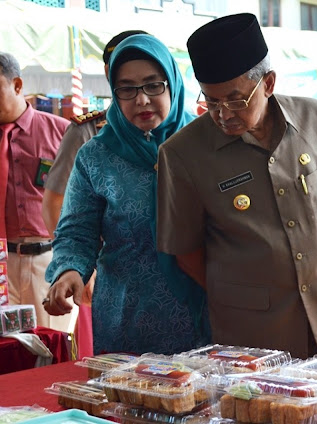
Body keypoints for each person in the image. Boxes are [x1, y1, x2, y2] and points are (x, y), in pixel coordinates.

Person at [156, 13, 317, 360]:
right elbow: (186, 252)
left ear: (268, 83)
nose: (224, 114)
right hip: (254, 333)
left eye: (236, 100)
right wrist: (249, 290)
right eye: (212, 102)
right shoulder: (182, 154)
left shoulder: (316, 117)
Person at [43, 34, 210, 355]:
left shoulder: (206, 143)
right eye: (127, 89)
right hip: (127, 316)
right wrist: (69, 271)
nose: (142, 99)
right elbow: (76, 230)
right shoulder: (96, 156)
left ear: (172, 83)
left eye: (153, 85)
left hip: (203, 311)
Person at [42, 30, 148, 237]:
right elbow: (55, 203)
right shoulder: (85, 132)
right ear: (109, 72)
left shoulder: (181, 129)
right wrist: (77, 254)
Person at [0, 52, 70, 331]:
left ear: (17, 85)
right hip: (2, 262)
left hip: (48, 260)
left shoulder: (63, 132)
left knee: (51, 343)